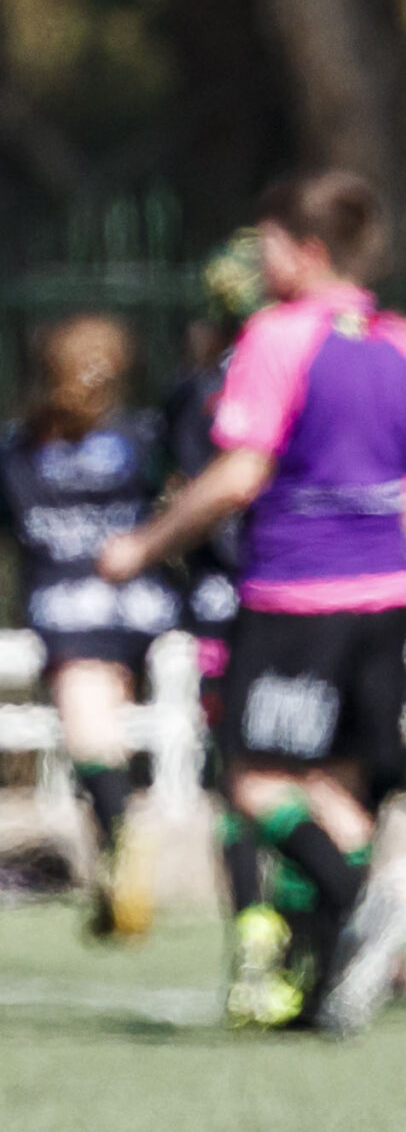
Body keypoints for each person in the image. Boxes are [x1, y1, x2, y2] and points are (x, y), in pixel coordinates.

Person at [97, 170, 406, 1036]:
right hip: (390, 604)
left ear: (306, 249)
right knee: (338, 795)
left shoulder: (277, 336)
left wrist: (143, 544)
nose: (258, 264)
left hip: (296, 596)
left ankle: (363, 903)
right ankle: (328, 982)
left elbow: (239, 471)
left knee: (255, 781)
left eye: (265, 245)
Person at [0, 313, 180, 940]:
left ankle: (124, 841)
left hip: (70, 609)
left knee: (91, 740)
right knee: (113, 736)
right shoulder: (140, 437)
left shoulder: (22, 446)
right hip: (142, 606)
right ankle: (117, 862)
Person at [166, 230, 296, 1017]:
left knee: (242, 778)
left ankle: (256, 937)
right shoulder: (319, 361)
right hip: (313, 599)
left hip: (228, 605)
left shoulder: (195, 390)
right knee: (319, 770)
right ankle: (318, 927)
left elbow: (186, 490)